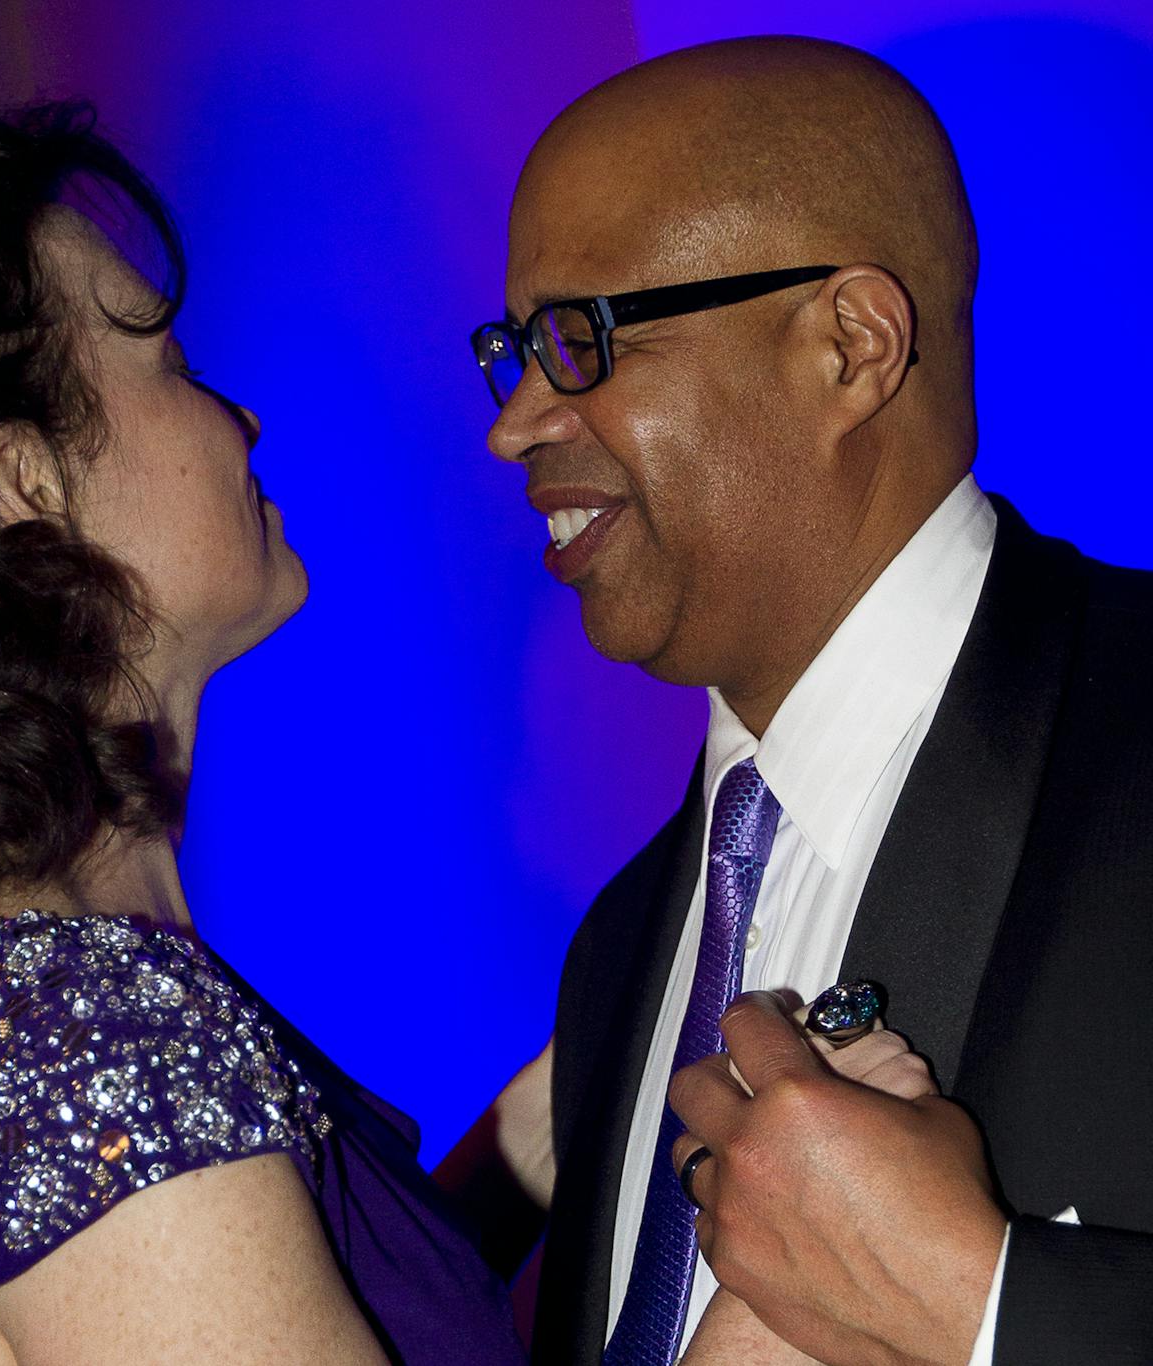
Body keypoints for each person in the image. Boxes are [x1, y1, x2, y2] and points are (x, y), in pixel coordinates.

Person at [0, 68, 542, 1365]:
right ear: (29, 485)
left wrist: (557, 1131)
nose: (244, 414)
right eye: (171, 362)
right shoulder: (64, 1028)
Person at [472, 34, 1153, 1366]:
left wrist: (985, 1305)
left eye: (581, 341)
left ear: (850, 343)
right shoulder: (619, 952)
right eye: (514, 350)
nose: (514, 423)